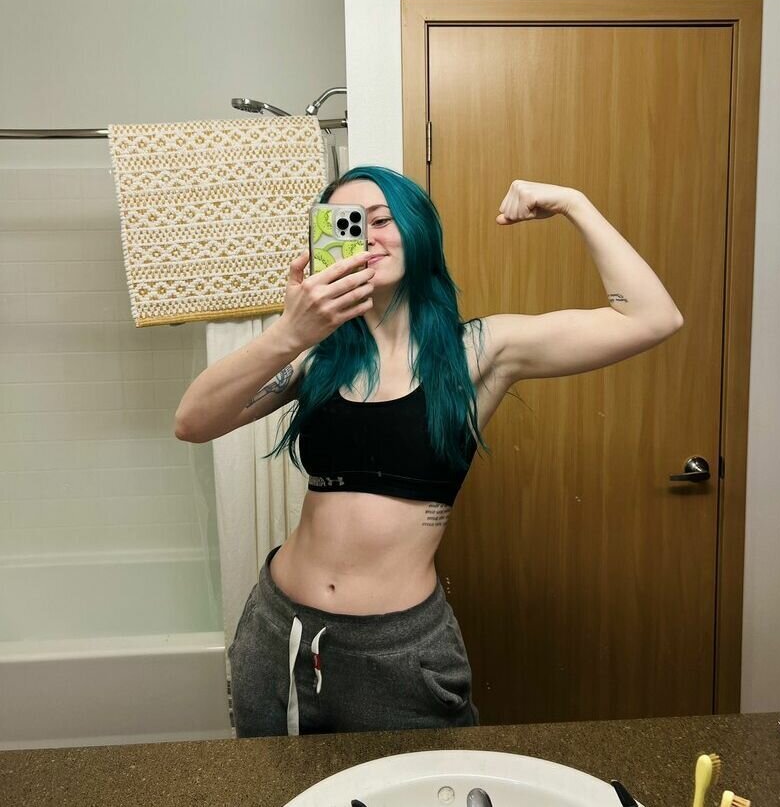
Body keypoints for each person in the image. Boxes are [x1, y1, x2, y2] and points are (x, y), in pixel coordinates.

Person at [174, 166, 683, 737]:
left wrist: (574, 202)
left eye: (382, 220)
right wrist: (290, 333)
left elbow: (653, 318)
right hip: (279, 631)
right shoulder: (316, 357)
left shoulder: (479, 352)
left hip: (396, 653)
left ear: (417, 230)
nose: (368, 237)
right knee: (273, 783)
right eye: (348, 224)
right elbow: (192, 422)